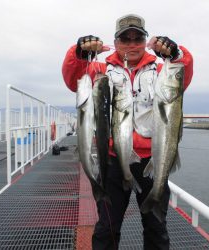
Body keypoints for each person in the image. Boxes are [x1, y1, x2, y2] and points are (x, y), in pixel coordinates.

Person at [62, 14, 193, 250]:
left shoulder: (163, 71)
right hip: (111, 161)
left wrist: (175, 52)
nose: (131, 44)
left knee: (156, 229)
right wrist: (79, 52)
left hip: (151, 160)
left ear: (145, 41)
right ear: (116, 41)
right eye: (125, 39)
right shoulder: (100, 69)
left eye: (137, 38)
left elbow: (183, 70)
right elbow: (74, 78)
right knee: (107, 228)